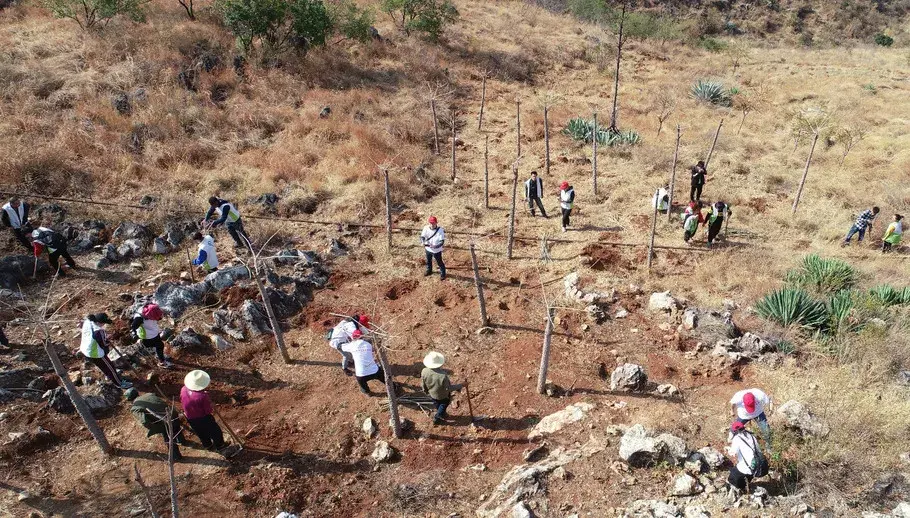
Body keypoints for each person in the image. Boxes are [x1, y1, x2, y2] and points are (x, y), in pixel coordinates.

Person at [180, 370, 236, 456]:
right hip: (202, 417)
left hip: (190, 416)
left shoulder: (183, 389)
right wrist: (211, 404)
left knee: (200, 432)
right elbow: (208, 411)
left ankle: (208, 445)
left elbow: (183, 400)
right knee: (215, 431)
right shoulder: (202, 396)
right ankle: (220, 445)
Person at [126, 388, 186, 460]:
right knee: (176, 428)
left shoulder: (135, 408)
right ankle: (182, 441)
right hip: (173, 412)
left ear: (129, 400)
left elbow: (144, 421)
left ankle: (176, 457)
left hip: (165, 421)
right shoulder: (149, 394)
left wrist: (155, 427)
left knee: (169, 439)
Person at [79, 313, 132, 389]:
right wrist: (108, 338)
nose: (104, 325)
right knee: (111, 368)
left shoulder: (88, 322)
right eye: (104, 323)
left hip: (85, 350)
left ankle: (110, 376)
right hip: (95, 354)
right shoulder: (98, 331)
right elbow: (104, 344)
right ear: (101, 322)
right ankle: (119, 383)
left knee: (103, 367)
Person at [421, 352, 462, 426]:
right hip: (443, 396)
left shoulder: (424, 371)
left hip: (432, 394)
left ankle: (442, 413)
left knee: (437, 404)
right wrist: (460, 385)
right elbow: (448, 388)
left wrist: (425, 391)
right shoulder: (442, 376)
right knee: (443, 405)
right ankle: (437, 417)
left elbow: (423, 383)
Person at [341, 330, 385, 395]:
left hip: (361, 374)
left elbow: (342, 347)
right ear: (362, 337)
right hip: (374, 370)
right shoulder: (368, 344)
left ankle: (367, 392)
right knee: (383, 377)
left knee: (362, 384)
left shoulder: (352, 345)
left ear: (353, 337)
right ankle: (392, 385)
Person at [130, 302, 173, 369]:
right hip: (148, 335)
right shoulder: (139, 318)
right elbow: (133, 326)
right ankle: (162, 362)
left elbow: (157, 315)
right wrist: (134, 334)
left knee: (157, 345)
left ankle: (158, 354)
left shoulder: (149, 308)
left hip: (153, 331)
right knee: (159, 345)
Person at [726, 421, 764, 494]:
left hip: (745, 468)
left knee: (731, 480)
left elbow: (733, 453)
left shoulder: (737, 438)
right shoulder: (752, 436)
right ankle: (744, 489)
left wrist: (728, 449)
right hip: (755, 467)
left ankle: (736, 495)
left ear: (734, 431)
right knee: (745, 482)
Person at [420, 216, 446, 280]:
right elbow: (422, 236)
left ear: (436, 223)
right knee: (428, 261)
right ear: (429, 223)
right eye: (431, 223)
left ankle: (443, 274)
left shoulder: (440, 230)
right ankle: (429, 270)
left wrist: (436, 246)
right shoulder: (425, 228)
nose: (432, 224)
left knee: (439, 262)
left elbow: (442, 241)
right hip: (428, 248)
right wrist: (422, 242)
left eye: (433, 223)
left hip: (436, 250)